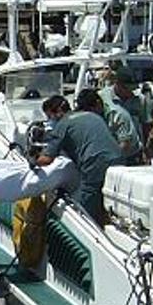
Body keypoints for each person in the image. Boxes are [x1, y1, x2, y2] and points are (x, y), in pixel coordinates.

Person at [37, 89, 123, 224]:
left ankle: (92, 231)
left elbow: (46, 160)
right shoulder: (91, 115)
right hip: (118, 158)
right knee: (110, 195)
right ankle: (107, 220)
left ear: (58, 112)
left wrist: (32, 159)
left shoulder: (63, 125)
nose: (50, 121)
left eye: (50, 117)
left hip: (94, 163)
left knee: (82, 205)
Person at [76, 88, 142, 165]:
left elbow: (125, 144)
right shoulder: (91, 116)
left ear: (98, 104)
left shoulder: (117, 115)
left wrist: (107, 160)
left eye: (90, 110)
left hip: (129, 157)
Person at [99, 65, 153, 151]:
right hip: (111, 149)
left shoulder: (140, 100)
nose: (130, 92)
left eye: (132, 89)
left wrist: (147, 148)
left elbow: (146, 125)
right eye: (127, 88)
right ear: (117, 83)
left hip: (135, 150)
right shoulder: (102, 97)